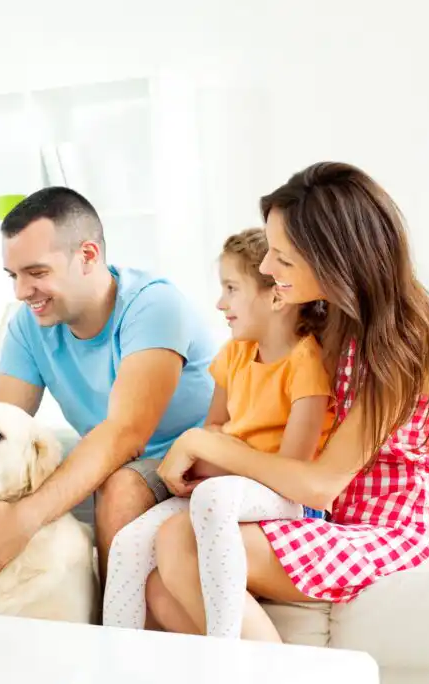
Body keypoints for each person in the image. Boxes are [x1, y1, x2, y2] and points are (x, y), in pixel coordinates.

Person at [145, 162, 429, 642]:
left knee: (181, 545)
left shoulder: (399, 341)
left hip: (390, 529)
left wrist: (205, 444)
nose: (268, 269)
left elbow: (319, 486)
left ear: (336, 259)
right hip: (330, 518)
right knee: (159, 590)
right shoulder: (329, 318)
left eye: (282, 259)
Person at [0, 186, 217, 608]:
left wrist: (23, 519)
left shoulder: (154, 306)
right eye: (13, 276)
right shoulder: (29, 324)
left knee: (120, 489)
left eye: (36, 273)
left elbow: (126, 435)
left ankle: (115, 649)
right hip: (109, 460)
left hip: (188, 464)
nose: (21, 291)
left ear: (88, 256)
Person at [102, 227, 336, 638]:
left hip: (290, 500)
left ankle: (226, 653)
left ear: (277, 296)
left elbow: (293, 471)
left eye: (231, 288)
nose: (220, 303)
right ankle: (119, 663)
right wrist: (213, 455)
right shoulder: (233, 354)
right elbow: (213, 426)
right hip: (231, 487)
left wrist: (220, 456)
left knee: (213, 496)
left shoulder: (306, 364)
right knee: (129, 544)